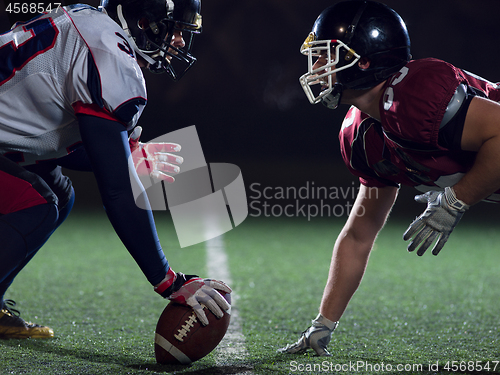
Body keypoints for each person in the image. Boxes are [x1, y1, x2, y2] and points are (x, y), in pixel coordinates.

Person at [279, 0, 500, 356]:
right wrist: (323, 324)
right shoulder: (362, 137)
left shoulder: (414, 95)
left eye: (327, 56)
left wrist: (457, 199)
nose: (317, 67)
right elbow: (358, 235)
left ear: (364, 61)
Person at [0, 0, 231, 339]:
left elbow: (47, 138)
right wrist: (167, 280)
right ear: (140, 21)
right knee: (38, 201)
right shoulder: (109, 55)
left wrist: (127, 154)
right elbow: (118, 191)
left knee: (58, 193)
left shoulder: (94, 27)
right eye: (174, 27)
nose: (180, 40)